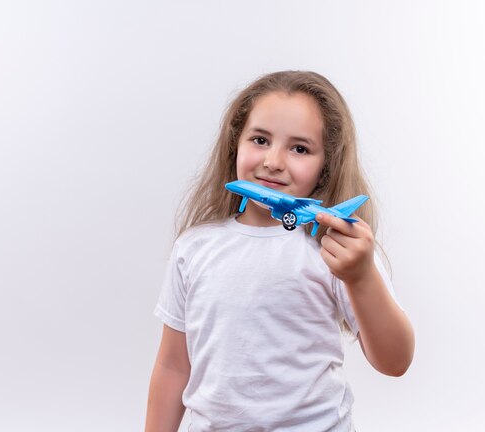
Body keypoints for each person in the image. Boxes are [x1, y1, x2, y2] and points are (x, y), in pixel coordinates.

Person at [145, 71, 415, 431]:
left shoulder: (335, 249)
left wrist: (361, 275)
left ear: (326, 166)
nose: (273, 160)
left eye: (299, 148)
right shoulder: (194, 247)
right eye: (260, 139)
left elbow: (395, 361)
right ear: (234, 146)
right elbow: (174, 366)